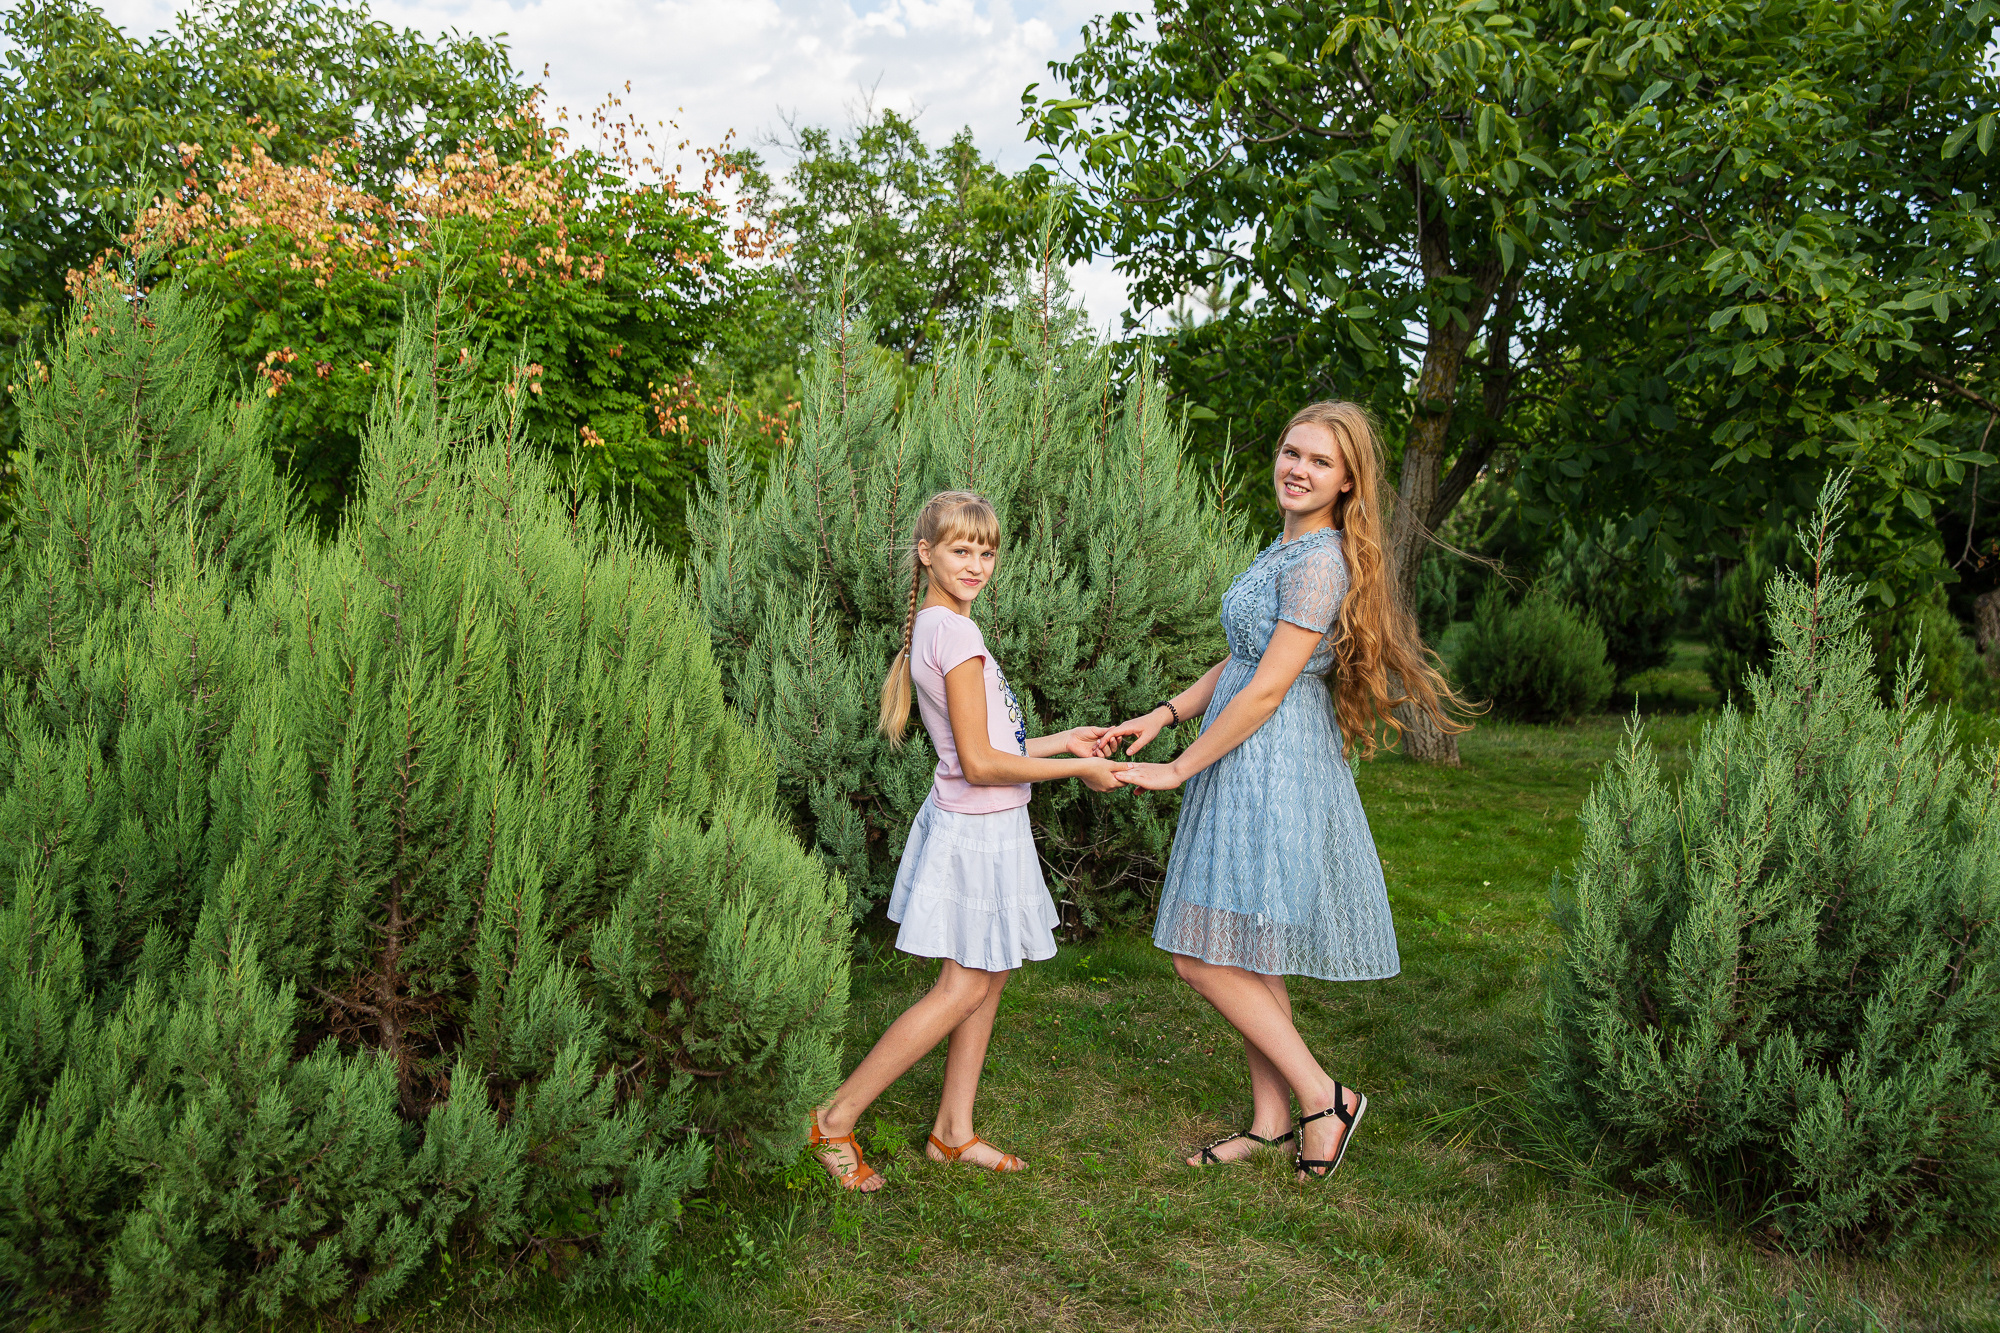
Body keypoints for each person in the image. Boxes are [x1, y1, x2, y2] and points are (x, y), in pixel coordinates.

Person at [1098, 401, 1469, 1181]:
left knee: (1200, 955)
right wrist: (1163, 716)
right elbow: (1239, 661)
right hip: (1244, 754)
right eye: (1291, 450)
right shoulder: (1287, 545)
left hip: (1271, 766)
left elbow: (1266, 692)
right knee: (1250, 949)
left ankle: (1324, 1096)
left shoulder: (1318, 561)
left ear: (1346, 483)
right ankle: (1273, 1123)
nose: (1297, 468)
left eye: (1319, 461)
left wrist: (1177, 768)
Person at [811, 490, 1131, 1191]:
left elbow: (983, 746)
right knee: (962, 984)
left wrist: (1061, 740)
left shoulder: (939, 625)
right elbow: (982, 764)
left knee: (991, 972)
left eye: (987, 552)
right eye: (962, 549)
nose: (977, 564)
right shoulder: (954, 634)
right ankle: (834, 1118)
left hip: (986, 820)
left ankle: (953, 1132)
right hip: (977, 828)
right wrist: (1080, 766)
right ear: (926, 553)